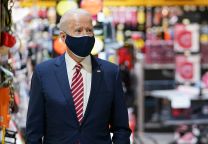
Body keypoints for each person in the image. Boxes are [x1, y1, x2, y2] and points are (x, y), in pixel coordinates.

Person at [26, 9, 131, 144]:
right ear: (63, 37)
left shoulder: (111, 73)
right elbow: (34, 131)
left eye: (89, 30)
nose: (86, 35)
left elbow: (121, 128)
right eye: (78, 31)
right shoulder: (43, 73)